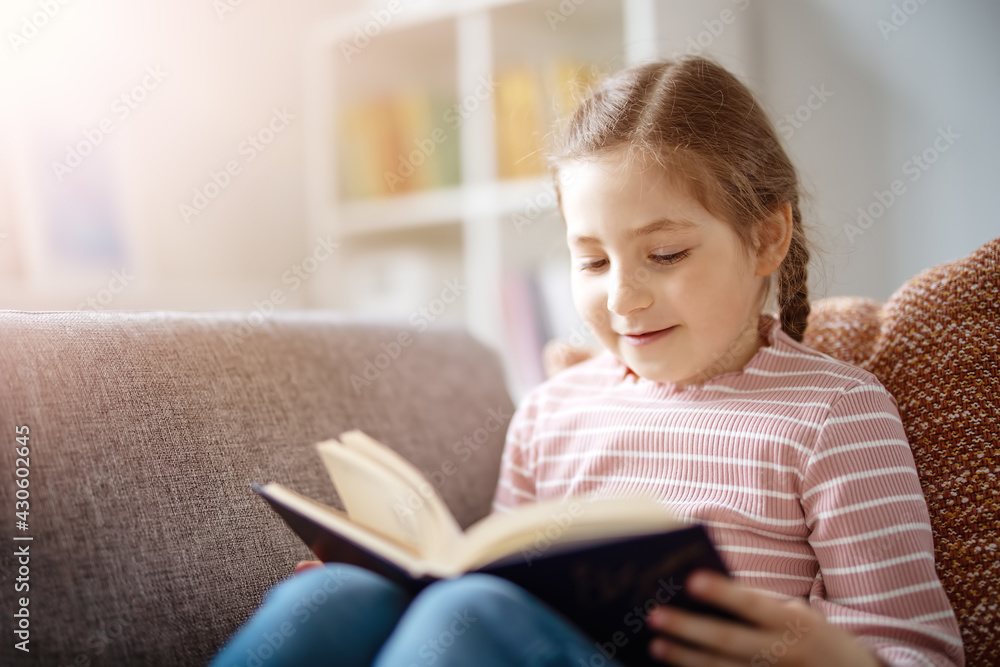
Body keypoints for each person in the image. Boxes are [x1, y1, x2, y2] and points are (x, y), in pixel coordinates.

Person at [210, 56, 965, 667]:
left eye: (664, 254)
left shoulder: (835, 413)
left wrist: (829, 654)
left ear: (766, 240)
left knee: (472, 614)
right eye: (593, 260)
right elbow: (497, 577)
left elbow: (921, 649)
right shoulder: (551, 411)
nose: (625, 297)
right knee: (334, 598)